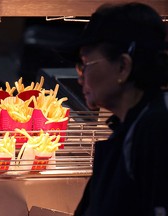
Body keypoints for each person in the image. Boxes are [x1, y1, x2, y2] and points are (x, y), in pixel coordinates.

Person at [70, 2, 168, 216]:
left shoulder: (155, 130)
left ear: (123, 67)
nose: (80, 78)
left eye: (86, 64)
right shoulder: (130, 128)